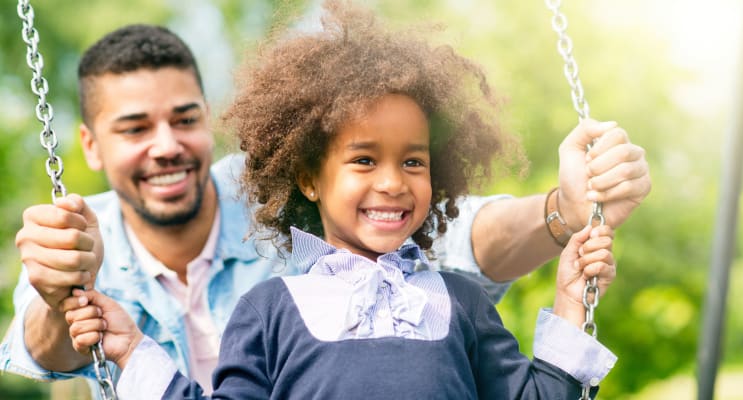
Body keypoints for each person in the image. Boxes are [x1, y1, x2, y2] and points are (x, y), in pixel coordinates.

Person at [1, 4, 649, 398]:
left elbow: (466, 234)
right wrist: (124, 345)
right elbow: (42, 338)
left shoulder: (457, 303)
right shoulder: (267, 310)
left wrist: (564, 221)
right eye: (136, 127)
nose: (167, 146)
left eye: (413, 162)